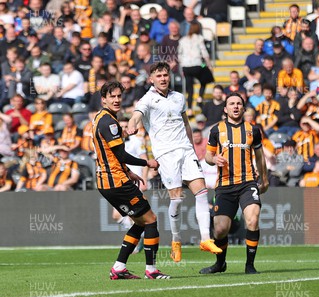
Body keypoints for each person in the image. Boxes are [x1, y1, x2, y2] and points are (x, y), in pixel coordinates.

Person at [127, 62, 222, 263]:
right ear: (151, 79)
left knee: (202, 192)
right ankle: (176, 240)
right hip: (166, 154)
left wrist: (193, 150)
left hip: (186, 151)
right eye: (158, 75)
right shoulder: (148, 99)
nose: (163, 78)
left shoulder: (179, 98)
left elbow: (186, 123)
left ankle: (205, 238)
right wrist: (131, 126)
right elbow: (136, 116)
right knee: (177, 199)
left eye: (165, 75)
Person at [93, 81, 169, 280]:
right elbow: (121, 155)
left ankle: (119, 268)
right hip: (116, 182)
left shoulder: (101, 118)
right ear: (104, 100)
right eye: (113, 97)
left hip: (109, 181)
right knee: (151, 219)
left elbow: (111, 155)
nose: (117, 100)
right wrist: (147, 163)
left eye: (119, 96)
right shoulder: (109, 122)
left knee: (139, 222)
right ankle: (152, 270)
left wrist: (129, 172)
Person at [202, 93, 269, 274]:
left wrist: (264, 178)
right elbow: (208, 156)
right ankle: (220, 263)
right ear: (225, 109)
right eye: (232, 104)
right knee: (221, 228)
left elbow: (260, 156)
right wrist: (214, 159)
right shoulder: (217, 130)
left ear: (243, 108)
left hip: (248, 182)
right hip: (225, 184)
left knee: (252, 220)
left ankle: (250, 265)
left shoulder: (253, 130)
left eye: (239, 103)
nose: (236, 106)